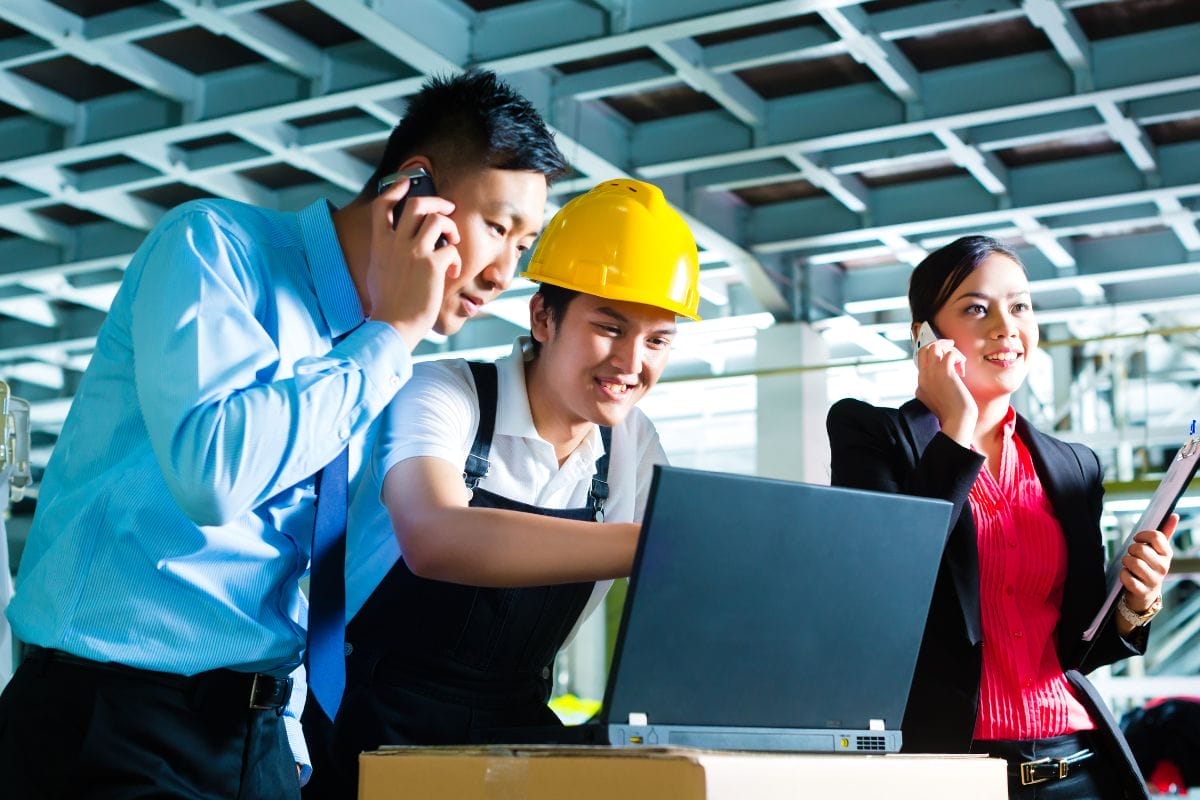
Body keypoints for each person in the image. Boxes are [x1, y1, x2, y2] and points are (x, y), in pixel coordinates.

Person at [0, 69, 566, 799]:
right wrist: (394, 333)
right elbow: (213, 477)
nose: (503, 274)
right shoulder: (214, 249)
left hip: (257, 741)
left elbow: (296, 565)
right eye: (498, 228)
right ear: (414, 191)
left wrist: (286, 733)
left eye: (524, 245)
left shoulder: (377, 361)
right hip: (111, 721)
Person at [300, 178, 701, 799]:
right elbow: (435, 537)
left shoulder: (633, 445)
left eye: (657, 341)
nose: (630, 363)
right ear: (543, 317)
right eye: (609, 327)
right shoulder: (442, 392)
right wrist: (656, 545)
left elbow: (691, 590)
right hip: (367, 730)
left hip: (513, 732)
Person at [826, 235, 1175, 800]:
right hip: (950, 770)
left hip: (1078, 765)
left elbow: (1079, 646)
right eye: (975, 309)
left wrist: (1137, 602)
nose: (1005, 327)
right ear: (925, 335)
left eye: (1019, 307)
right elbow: (886, 590)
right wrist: (956, 427)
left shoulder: (1073, 466)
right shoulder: (873, 436)